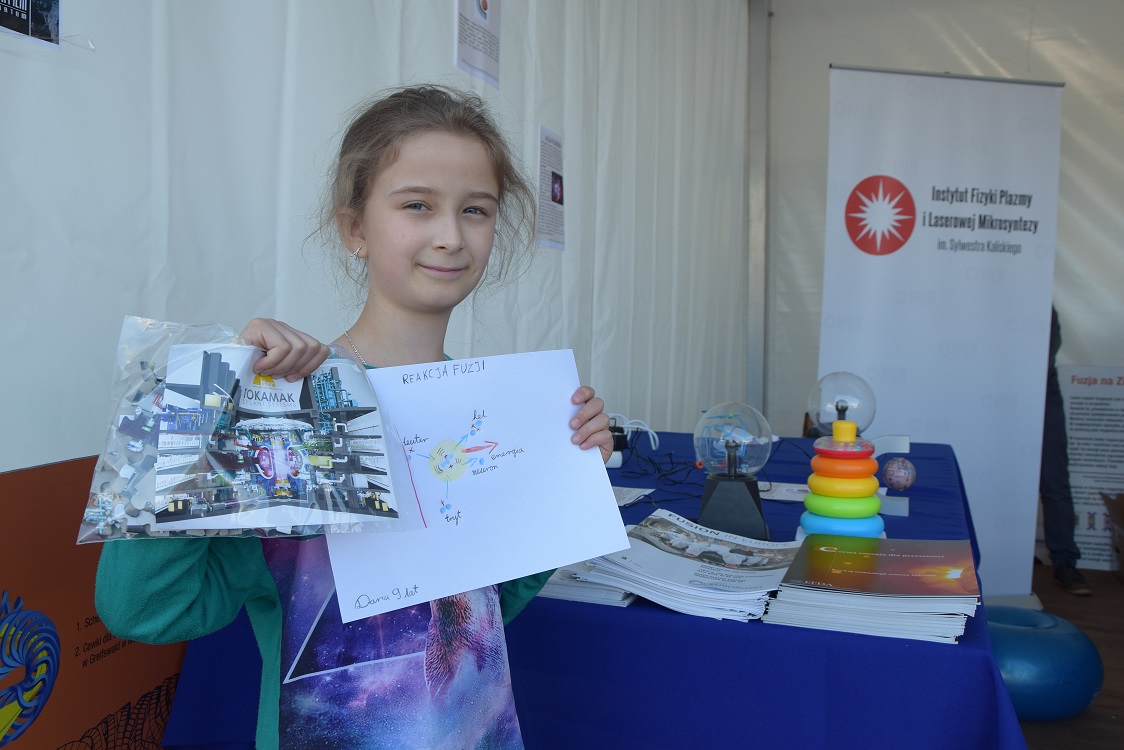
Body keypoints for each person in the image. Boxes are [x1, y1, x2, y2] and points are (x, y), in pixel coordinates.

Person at [95, 85, 614, 749]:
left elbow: (481, 615)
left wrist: (563, 480)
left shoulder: (488, 411)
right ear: (355, 229)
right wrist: (205, 406)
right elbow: (144, 610)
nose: (450, 236)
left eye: (475, 209)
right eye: (417, 204)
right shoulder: (283, 409)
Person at [1040, 305, 1091, 596]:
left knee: (1054, 478)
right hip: (991, 387)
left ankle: (1065, 563)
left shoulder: (1039, 297)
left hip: (1041, 387)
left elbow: (1051, 341)